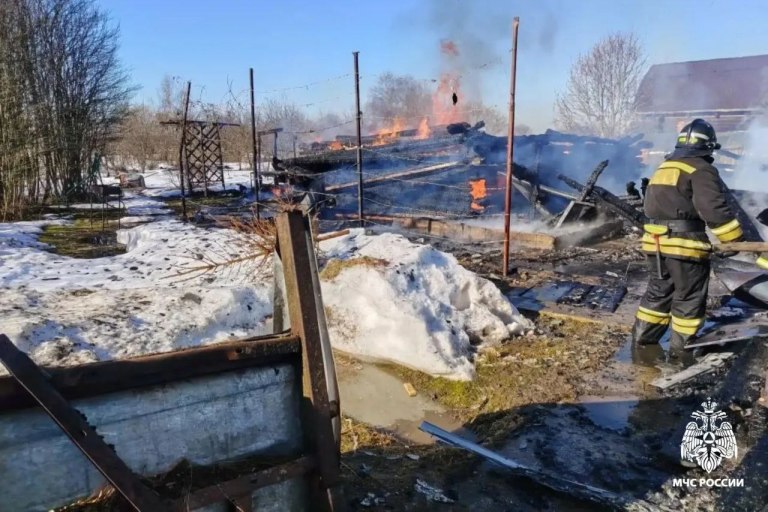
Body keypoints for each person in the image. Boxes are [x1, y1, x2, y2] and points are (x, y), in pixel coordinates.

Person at [632, 119, 756, 354]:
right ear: (709, 145)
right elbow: (713, 209)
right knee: (688, 297)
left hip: (655, 243)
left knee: (658, 293)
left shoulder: (666, 166)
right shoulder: (701, 168)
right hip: (684, 246)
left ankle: (642, 344)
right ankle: (682, 351)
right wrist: (734, 240)